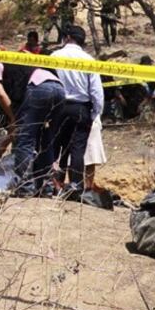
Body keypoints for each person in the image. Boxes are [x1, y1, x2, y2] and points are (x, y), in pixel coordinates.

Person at [0, 59, 64, 195]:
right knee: (44, 141)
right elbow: (15, 130)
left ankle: (25, 187)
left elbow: (1, 94)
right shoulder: (18, 73)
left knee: (25, 141)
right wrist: (2, 147)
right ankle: (45, 188)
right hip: (59, 89)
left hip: (39, 88)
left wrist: (14, 119)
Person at [50, 25, 103, 192]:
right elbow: (96, 92)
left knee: (56, 146)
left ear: (66, 38)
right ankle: (76, 186)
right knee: (77, 148)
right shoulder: (88, 60)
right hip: (81, 108)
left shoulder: (54, 56)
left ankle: (54, 184)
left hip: (58, 106)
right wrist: (95, 113)